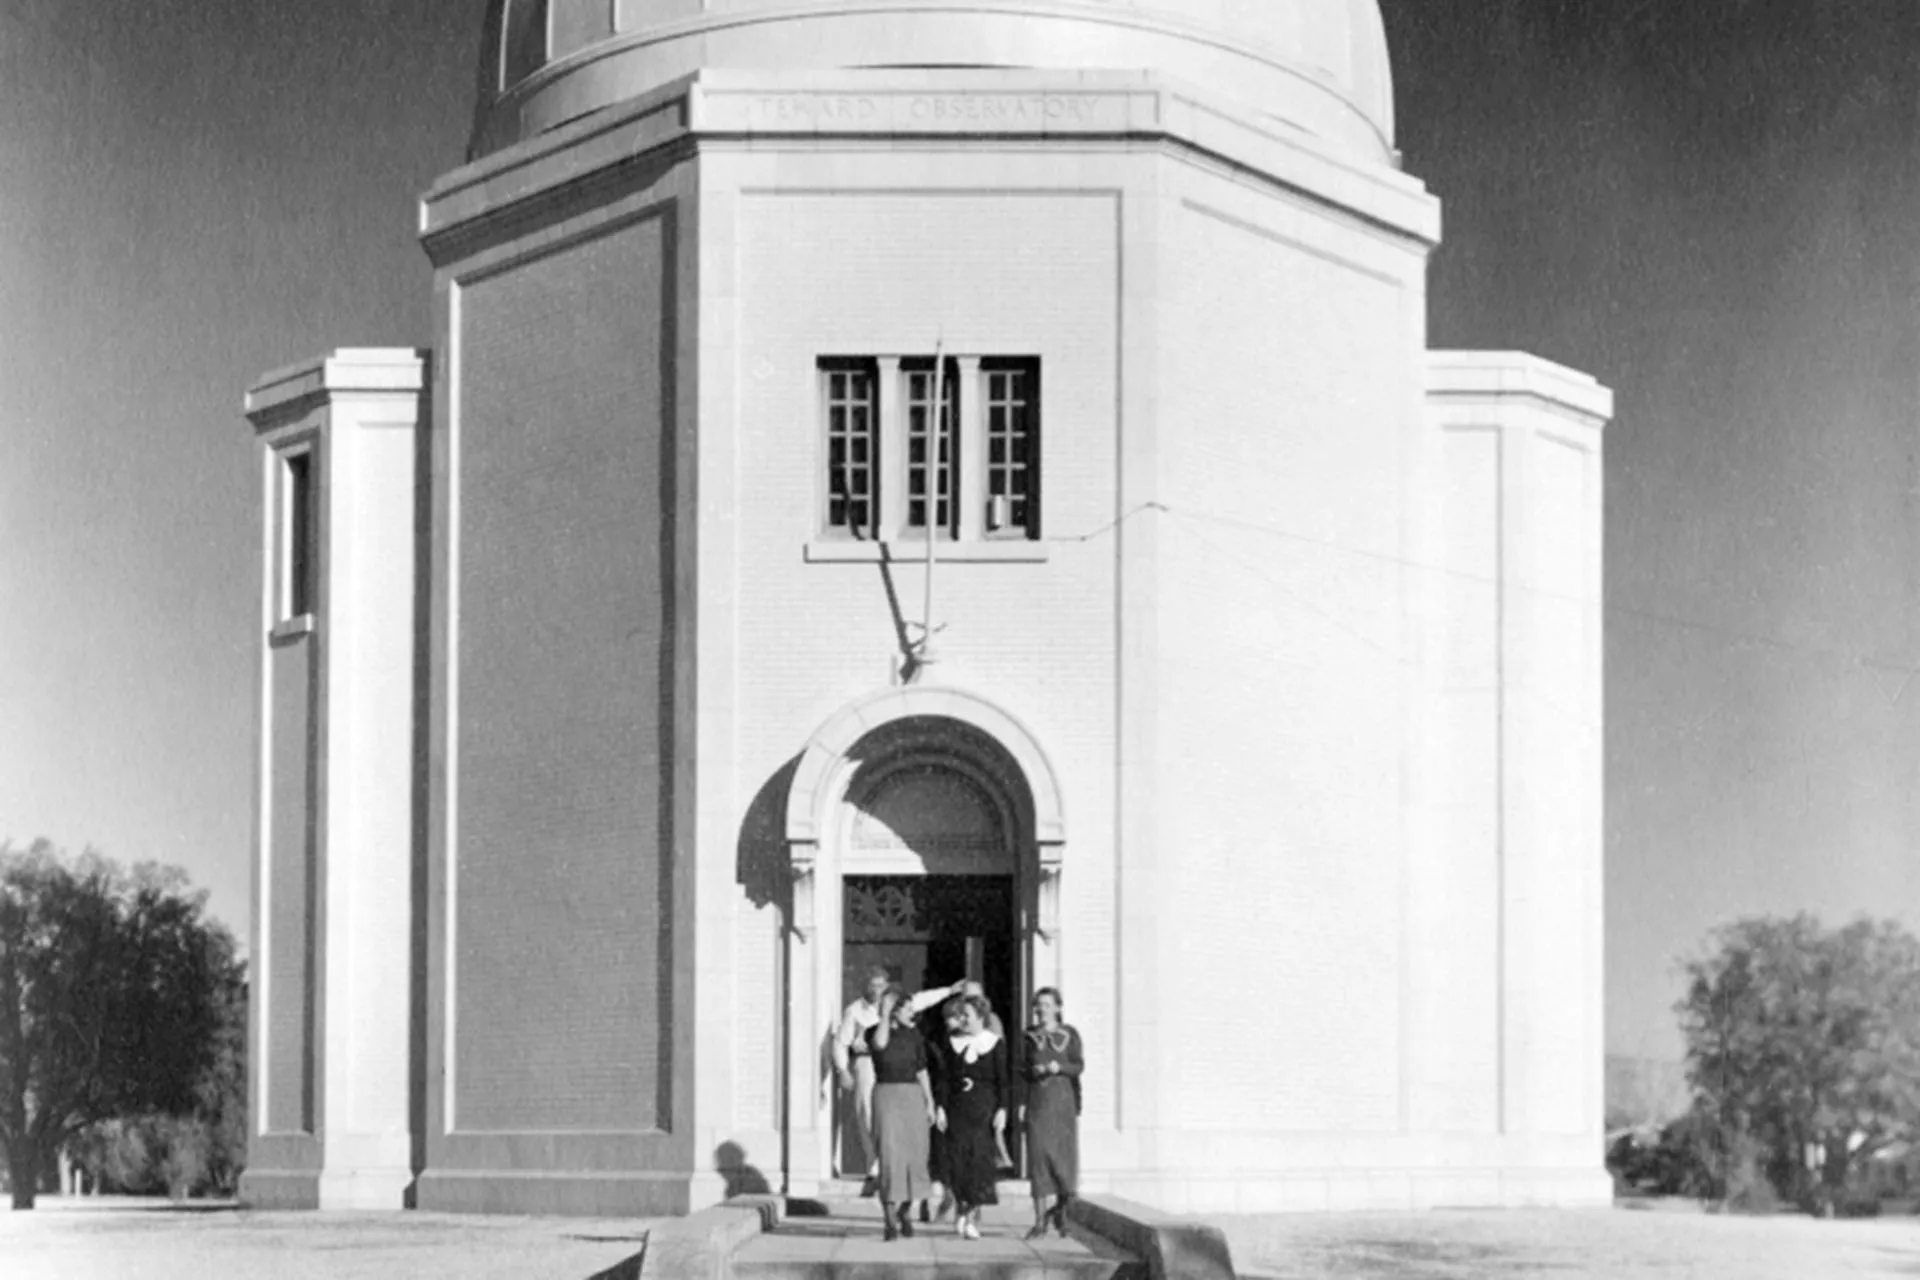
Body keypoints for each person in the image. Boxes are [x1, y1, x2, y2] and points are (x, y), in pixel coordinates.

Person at [835, 970, 963, 1181]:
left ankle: (893, 1164)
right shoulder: (855, 1011)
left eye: (881, 986)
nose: (877, 990)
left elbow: (923, 999)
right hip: (867, 1061)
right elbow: (841, 1043)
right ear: (865, 987)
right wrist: (843, 1070)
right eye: (873, 985)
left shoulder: (902, 1008)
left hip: (896, 1064)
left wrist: (949, 991)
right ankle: (874, 1164)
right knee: (867, 1113)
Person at [931, 992, 1009, 1240]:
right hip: (958, 1109)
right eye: (960, 1015)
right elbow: (943, 1078)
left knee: (979, 1166)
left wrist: (1003, 1109)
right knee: (958, 1163)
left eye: (967, 1015)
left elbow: (1003, 1082)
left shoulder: (995, 1044)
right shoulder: (951, 1043)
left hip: (983, 1110)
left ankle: (971, 1214)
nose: (962, 1019)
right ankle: (962, 1208)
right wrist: (940, 1107)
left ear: (980, 1017)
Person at [868, 989, 937, 1240]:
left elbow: (922, 1070)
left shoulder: (915, 1035)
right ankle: (889, 1219)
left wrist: (929, 1102)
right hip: (886, 1096)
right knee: (889, 1156)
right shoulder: (874, 1031)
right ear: (895, 1010)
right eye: (907, 1009)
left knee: (915, 1156)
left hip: (913, 1096)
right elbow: (880, 1044)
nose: (913, 1013)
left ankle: (905, 1210)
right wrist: (885, 1015)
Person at [1020, 987, 1083, 1239]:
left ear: (1058, 1008)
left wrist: (1061, 1067)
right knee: (1038, 1159)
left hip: (1063, 1104)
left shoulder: (1070, 1034)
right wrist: (1022, 1100)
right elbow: (1021, 1070)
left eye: (1047, 1004)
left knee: (1063, 1161)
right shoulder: (1028, 1036)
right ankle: (1038, 1220)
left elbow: (1079, 1065)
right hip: (1038, 1103)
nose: (1041, 1009)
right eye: (1038, 1004)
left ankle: (1062, 1214)